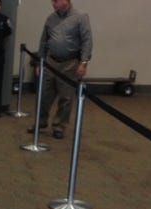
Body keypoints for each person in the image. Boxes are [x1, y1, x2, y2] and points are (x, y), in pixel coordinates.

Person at [28, 0, 92, 139]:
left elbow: (87, 41)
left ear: (66, 1)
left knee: (66, 98)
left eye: (56, 1)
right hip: (51, 62)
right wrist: (40, 62)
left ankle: (59, 126)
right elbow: (44, 41)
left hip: (70, 63)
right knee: (44, 95)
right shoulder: (51, 18)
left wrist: (84, 63)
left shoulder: (80, 17)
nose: (53, 3)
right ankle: (41, 122)